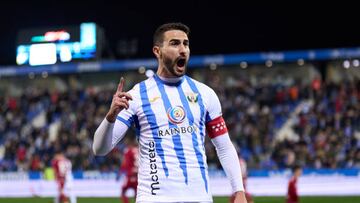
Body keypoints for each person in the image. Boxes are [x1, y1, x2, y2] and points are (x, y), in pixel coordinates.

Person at [93, 22, 247, 203]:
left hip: (200, 198)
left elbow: (224, 147)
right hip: (155, 198)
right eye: (175, 43)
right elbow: (100, 149)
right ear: (157, 51)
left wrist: (239, 191)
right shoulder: (136, 96)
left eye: (186, 44)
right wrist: (110, 117)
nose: (183, 50)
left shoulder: (205, 94)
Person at [118, 136, 139, 203]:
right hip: (138, 176)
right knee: (137, 195)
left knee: (123, 192)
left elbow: (125, 163)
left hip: (130, 175)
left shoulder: (128, 151)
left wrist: (120, 172)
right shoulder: (139, 150)